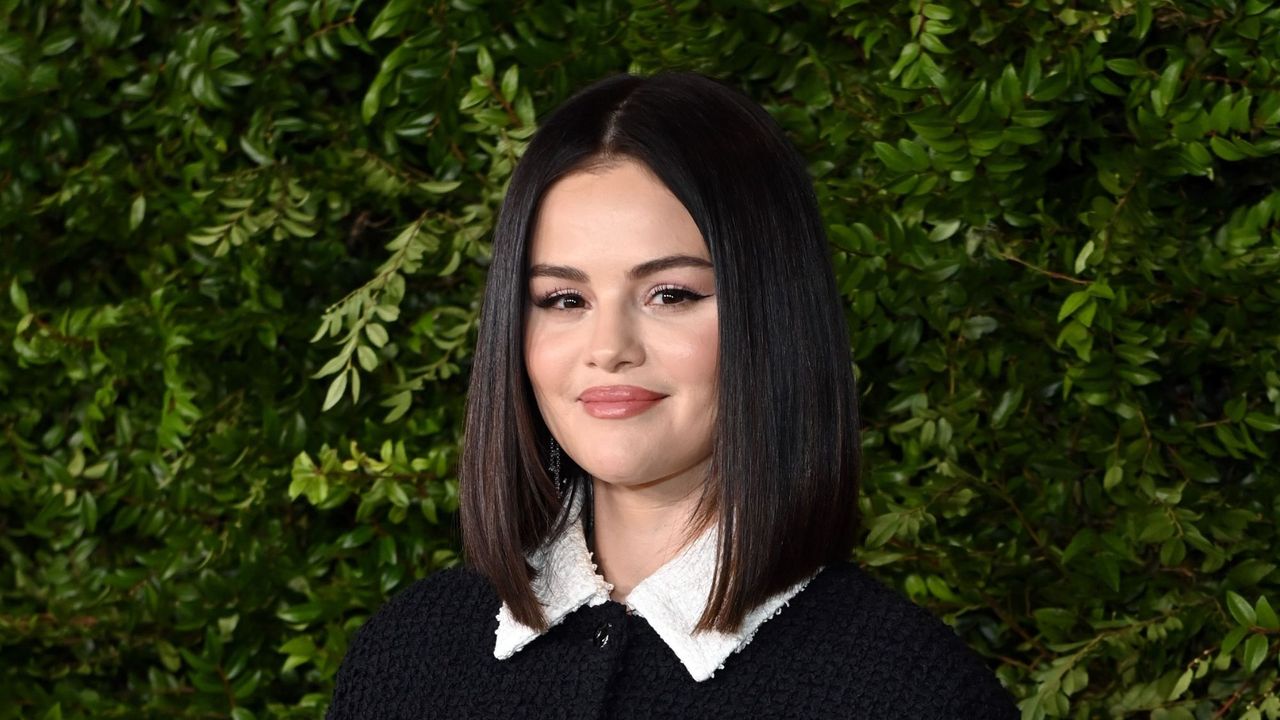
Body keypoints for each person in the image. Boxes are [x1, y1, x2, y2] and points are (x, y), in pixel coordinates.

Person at [325, 70, 1019, 719]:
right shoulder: (408, 655)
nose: (608, 346)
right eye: (564, 298)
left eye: (670, 293)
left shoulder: (909, 692)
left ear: (772, 314)